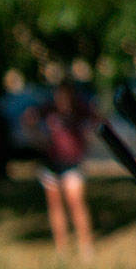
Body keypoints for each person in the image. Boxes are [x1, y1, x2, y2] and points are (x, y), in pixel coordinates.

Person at [27, 81, 101, 258]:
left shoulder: (81, 109)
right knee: (55, 204)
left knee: (76, 202)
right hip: (51, 163)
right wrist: (38, 138)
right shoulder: (48, 109)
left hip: (73, 162)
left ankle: (85, 245)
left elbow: (98, 122)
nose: (62, 99)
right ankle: (61, 247)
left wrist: (87, 141)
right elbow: (28, 119)